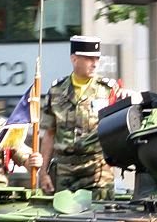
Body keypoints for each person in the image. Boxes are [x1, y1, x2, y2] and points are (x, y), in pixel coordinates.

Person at [37, 35, 122, 198]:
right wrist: (43, 172)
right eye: (89, 58)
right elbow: (49, 134)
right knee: (64, 213)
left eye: (97, 58)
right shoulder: (56, 91)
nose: (95, 63)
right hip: (65, 171)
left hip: (97, 172)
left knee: (99, 213)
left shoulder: (109, 90)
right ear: (74, 59)